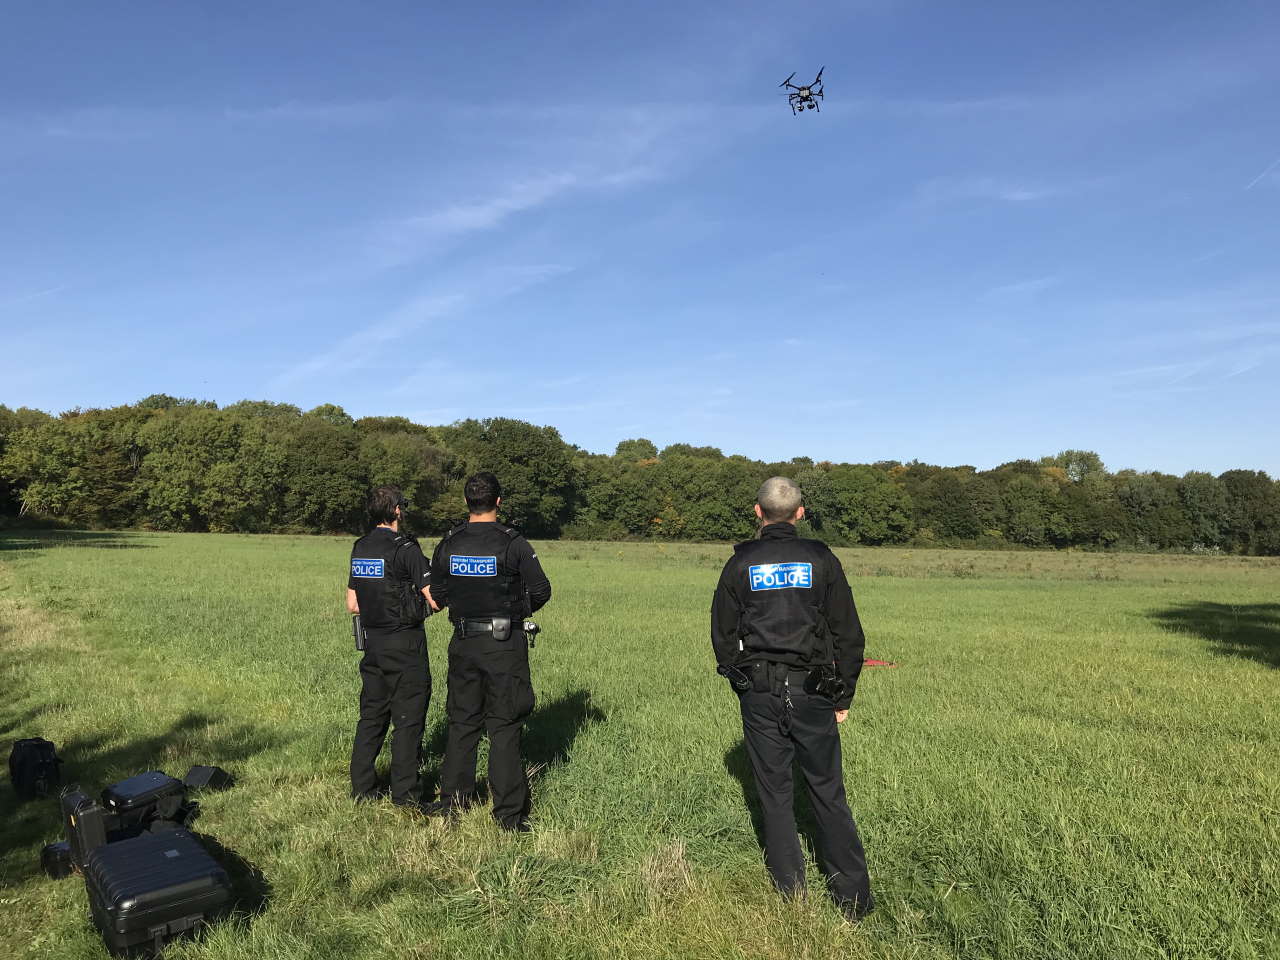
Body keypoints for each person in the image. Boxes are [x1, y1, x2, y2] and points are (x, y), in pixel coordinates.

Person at [710, 476, 874, 920]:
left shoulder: (739, 565)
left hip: (759, 691)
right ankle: (854, 900)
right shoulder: (822, 560)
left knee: (774, 793)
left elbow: (722, 635)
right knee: (826, 790)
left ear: (757, 512)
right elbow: (849, 634)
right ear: (800, 513)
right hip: (815, 689)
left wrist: (741, 682)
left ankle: (791, 894)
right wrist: (844, 694)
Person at [425, 472, 552, 832]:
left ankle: (453, 803)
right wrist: (515, 612)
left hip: (463, 642)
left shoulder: (449, 543)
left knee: (462, 721)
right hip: (503, 645)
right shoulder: (513, 542)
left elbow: (438, 592)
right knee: (504, 724)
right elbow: (541, 590)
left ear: (467, 502)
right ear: (499, 501)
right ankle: (509, 816)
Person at [346, 485, 433, 809]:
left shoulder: (360, 546)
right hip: (404, 644)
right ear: (397, 510)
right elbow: (434, 598)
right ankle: (406, 795)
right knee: (408, 718)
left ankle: (363, 788)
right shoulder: (406, 548)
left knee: (371, 715)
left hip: (372, 644)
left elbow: (352, 603)